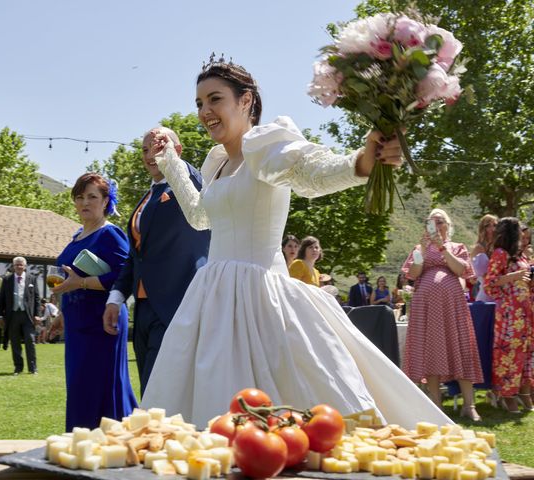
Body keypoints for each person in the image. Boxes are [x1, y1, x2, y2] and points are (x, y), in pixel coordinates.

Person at [130, 57, 449, 428]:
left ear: (245, 101)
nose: (205, 111)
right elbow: (202, 218)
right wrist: (172, 163)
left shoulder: (264, 146)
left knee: (290, 409)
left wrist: (362, 162)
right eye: (199, 103)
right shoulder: (215, 161)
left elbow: (311, 171)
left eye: (215, 99)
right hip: (211, 296)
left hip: (259, 295)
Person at [103, 127, 210, 395]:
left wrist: (173, 161)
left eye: (160, 146)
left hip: (177, 304)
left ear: (178, 150)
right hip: (144, 308)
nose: (151, 154)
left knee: (161, 392)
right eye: (145, 149)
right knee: (148, 387)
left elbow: (197, 181)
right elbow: (135, 257)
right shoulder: (147, 197)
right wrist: (115, 298)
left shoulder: (189, 187)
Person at [54, 173, 137, 431]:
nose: (84, 202)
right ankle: (81, 441)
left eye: (92, 196)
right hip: (77, 324)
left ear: (106, 201)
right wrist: (61, 315)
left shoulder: (110, 234)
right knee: (79, 385)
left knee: (98, 386)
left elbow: (126, 275)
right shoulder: (77, 236)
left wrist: (81, 283)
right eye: (79, 197)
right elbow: (70, 280)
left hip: (103, 322)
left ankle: (112, 443)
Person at [402, 208, 483, 421]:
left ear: (448, 225)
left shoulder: (457, 247)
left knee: (461, 347)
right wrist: (422, 250)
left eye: (440, 221)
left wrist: (442, 248)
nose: (436, 225)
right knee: (431, 350)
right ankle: (436, 406)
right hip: (425, 307)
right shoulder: (419, 248)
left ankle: (469, 405)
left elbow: (461, 271)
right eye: (431, 222)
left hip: (452, 305)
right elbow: (413, 274)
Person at [484, 217, 534, 413]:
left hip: (526, 310)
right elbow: (489, 283)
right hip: (509, 312)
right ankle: (506, 395)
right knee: (509, 354)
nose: (524, 236)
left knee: (527, 352)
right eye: (521, 232)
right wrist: (515, 276)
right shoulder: (500, 254)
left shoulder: (521, 257)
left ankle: (524, 392)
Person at [0, 257, 41, 375]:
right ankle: (18, 368)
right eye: (16, 265)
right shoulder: (7, 279)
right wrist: (0, 315)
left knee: (30, 341)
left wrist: (37, 314)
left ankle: (33, 368)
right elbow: (1, 299)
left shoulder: (32, 279)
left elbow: (37, 298)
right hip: (13, 315)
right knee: (15, 342)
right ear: (13, 266)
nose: (19, 267)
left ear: (25, 266)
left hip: (28, 316)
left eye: (21, 265)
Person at [470, 214, 498, 302]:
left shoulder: (499, 247)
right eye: (488, 226)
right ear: (483, 228)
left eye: (495, 225)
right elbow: (472, 273)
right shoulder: (478, 248)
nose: (492, 229)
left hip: (500, 291)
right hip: (484, 292)